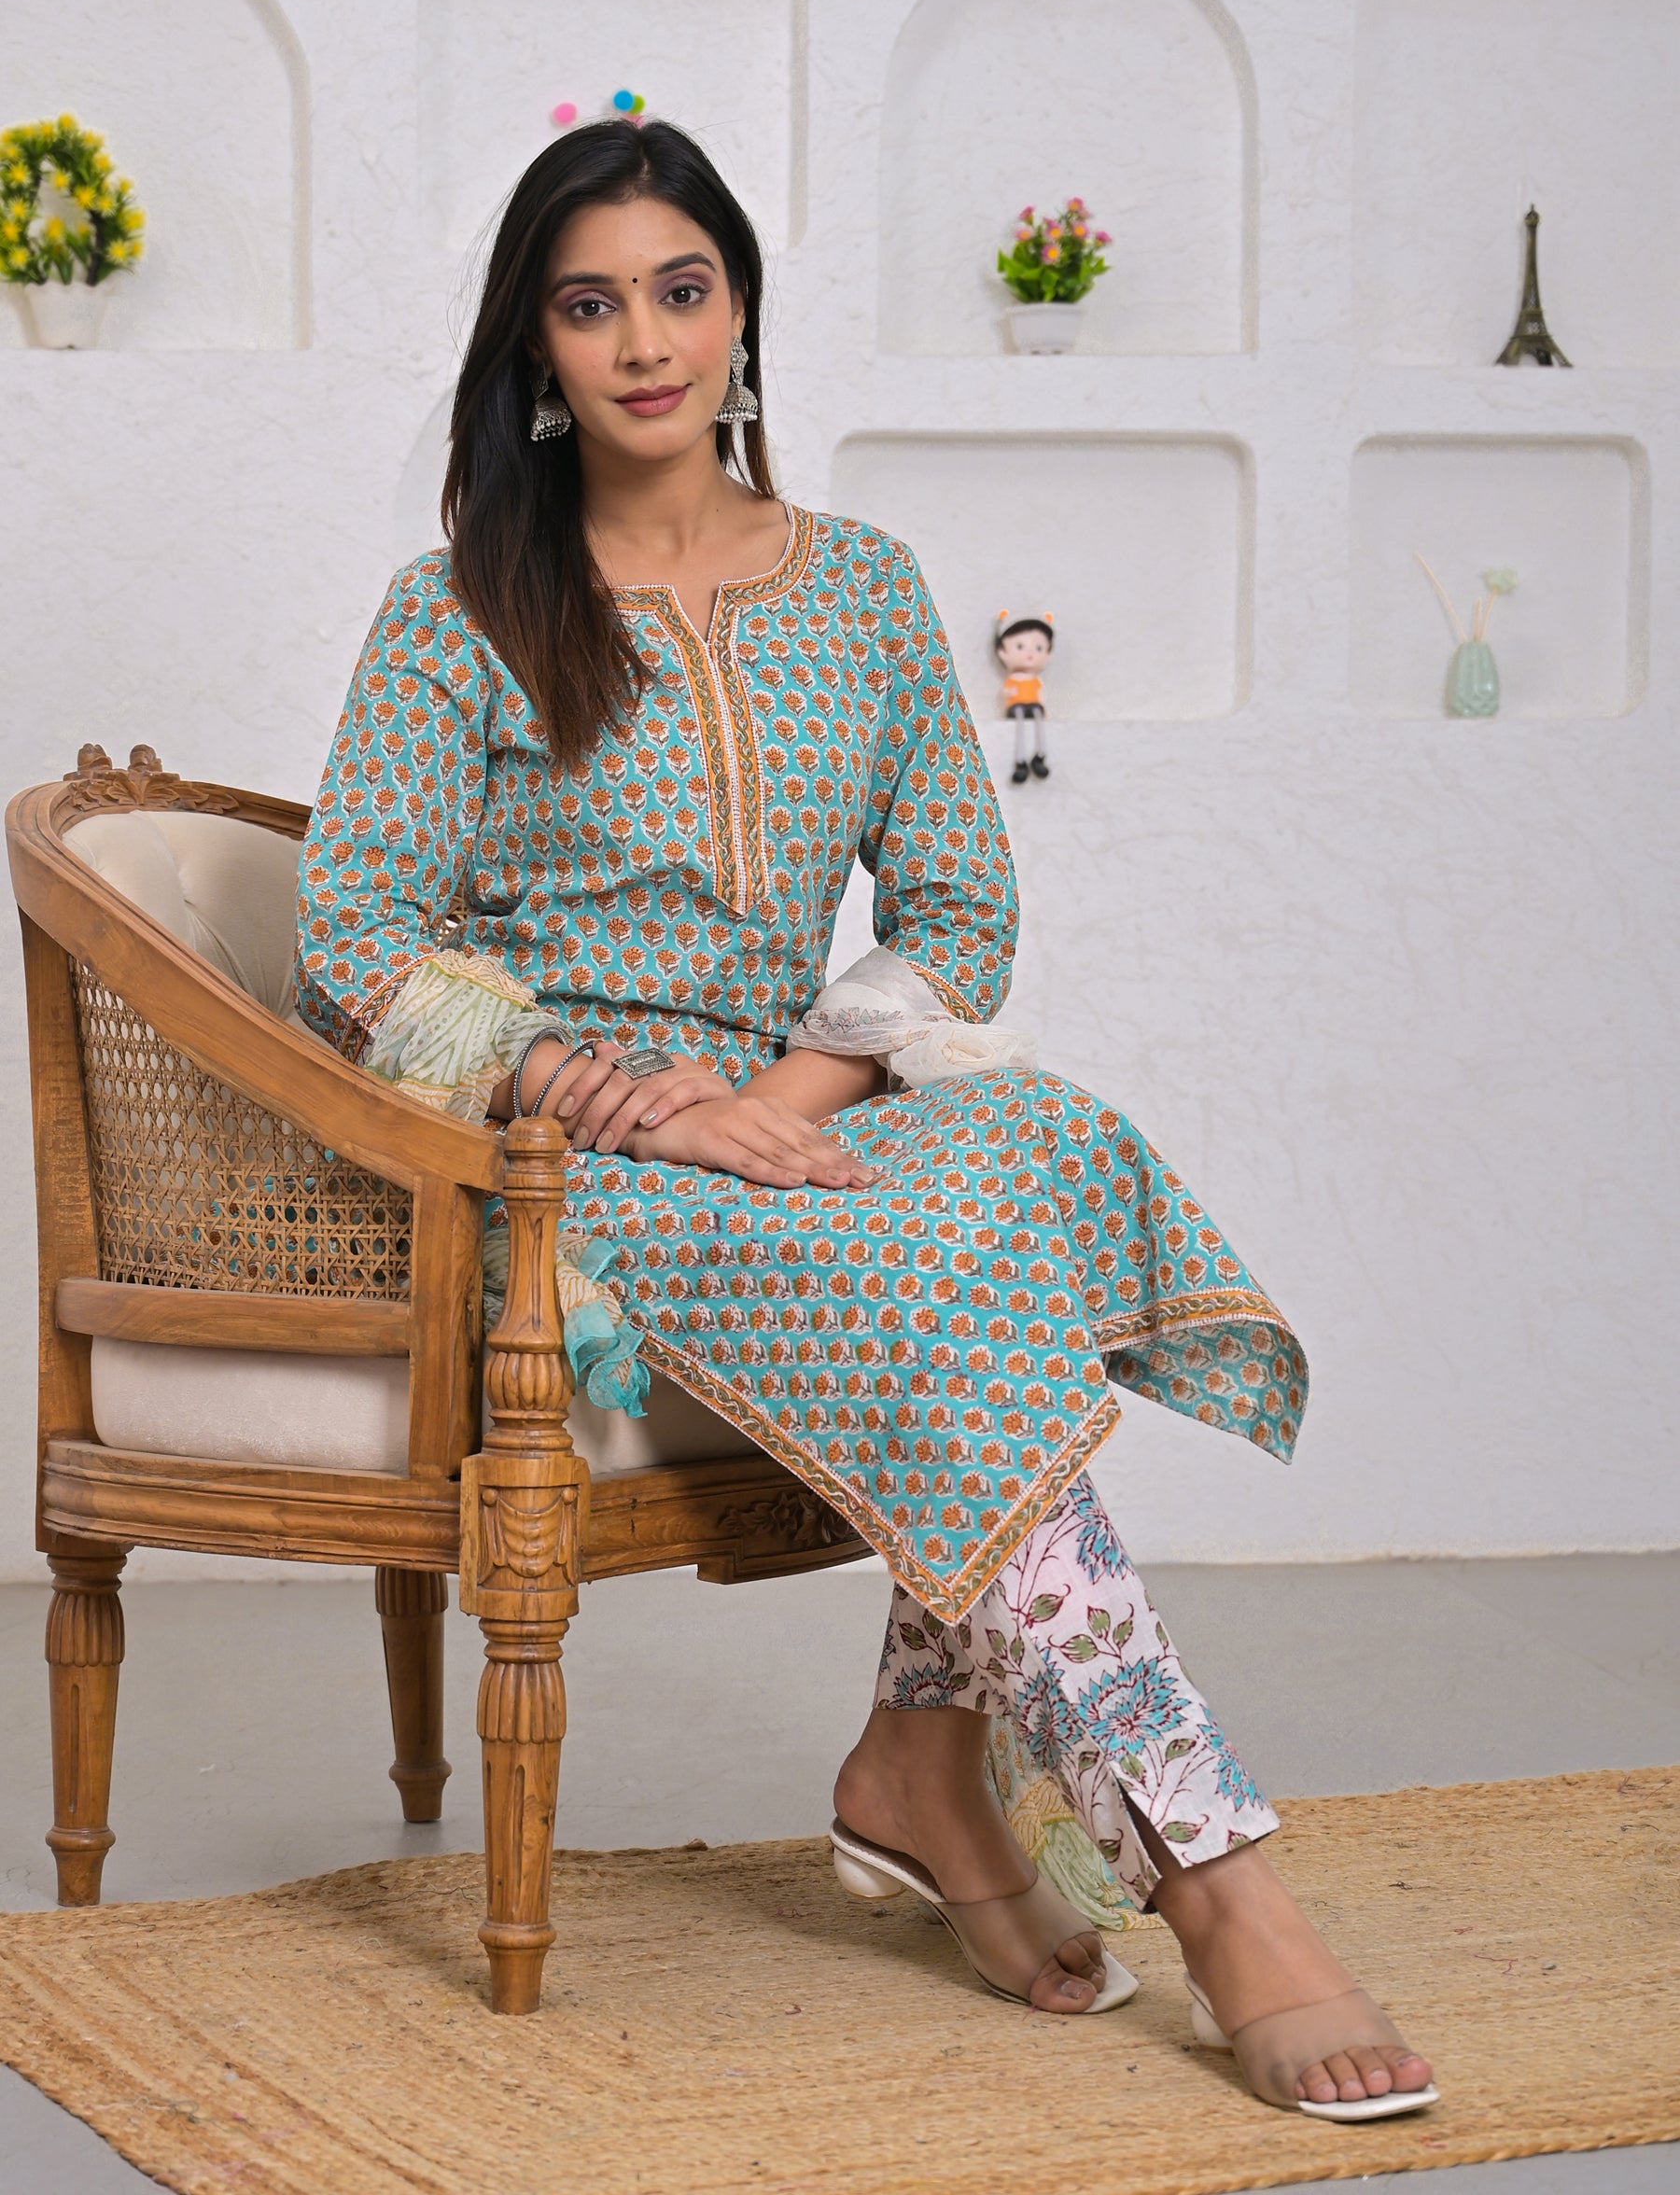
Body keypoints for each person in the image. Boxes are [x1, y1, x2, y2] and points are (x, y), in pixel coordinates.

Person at [294, 118, 1435, 2119]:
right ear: (536, 348)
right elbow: (358, 945)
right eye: (590, 305)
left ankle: (920, 1761)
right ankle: (1212, 1872)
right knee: (932, 1256)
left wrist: (779, 1094)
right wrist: (635, 1106)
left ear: (739, 310)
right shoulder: (458, 607)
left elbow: (960, 910)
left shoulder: (869, 588)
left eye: (681, 290)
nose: (645, 342)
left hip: (790, 1114)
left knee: (1041, 1150)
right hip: (566, 1176)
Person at [995, 611, 1053, 782]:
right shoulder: (1013, 680)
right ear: (1002, 652)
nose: (1030, 653)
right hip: (1016, 706)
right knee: (1020, 727)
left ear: (1047, 655)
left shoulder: (1035, 681)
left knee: (1039, 725)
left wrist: (1045, 710)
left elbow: (1040, 696)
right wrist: (1007, 695)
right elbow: (1005, 693)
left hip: (1035, 706)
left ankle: (1040, 756)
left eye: (1038, 648)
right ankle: (1020, 761)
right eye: (1020, 647)